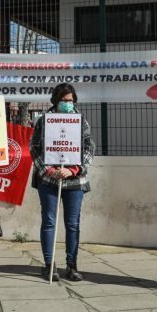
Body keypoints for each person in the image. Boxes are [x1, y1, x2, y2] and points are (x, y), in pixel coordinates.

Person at [29, 83, 94, 282]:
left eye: (71, 101)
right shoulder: (44, 121)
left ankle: (72, 265)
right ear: (55, 100)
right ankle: (49, 265)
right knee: (49, 222)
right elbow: (34, 147)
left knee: (72, 224)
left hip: (74, 180)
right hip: (48, 179)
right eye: (64, 100)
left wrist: (73, 169)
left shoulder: (80, 121)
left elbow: (89, 147)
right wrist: (48, 170)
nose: (68, 104)